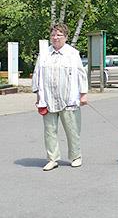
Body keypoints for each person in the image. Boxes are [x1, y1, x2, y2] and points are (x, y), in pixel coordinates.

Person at [32, 23, 88, 171]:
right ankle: (52, 159)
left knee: (73, 129)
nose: (55, 37)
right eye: (53, 35)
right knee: (50, 131)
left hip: (69, 98)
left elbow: (81, 75)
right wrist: (38, 95)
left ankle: (76, 157)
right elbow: (37, 75)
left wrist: (83, 95)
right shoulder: (44, 54)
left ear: (66, 37)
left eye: (59, 35)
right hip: (48, 98)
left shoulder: (72, 53)